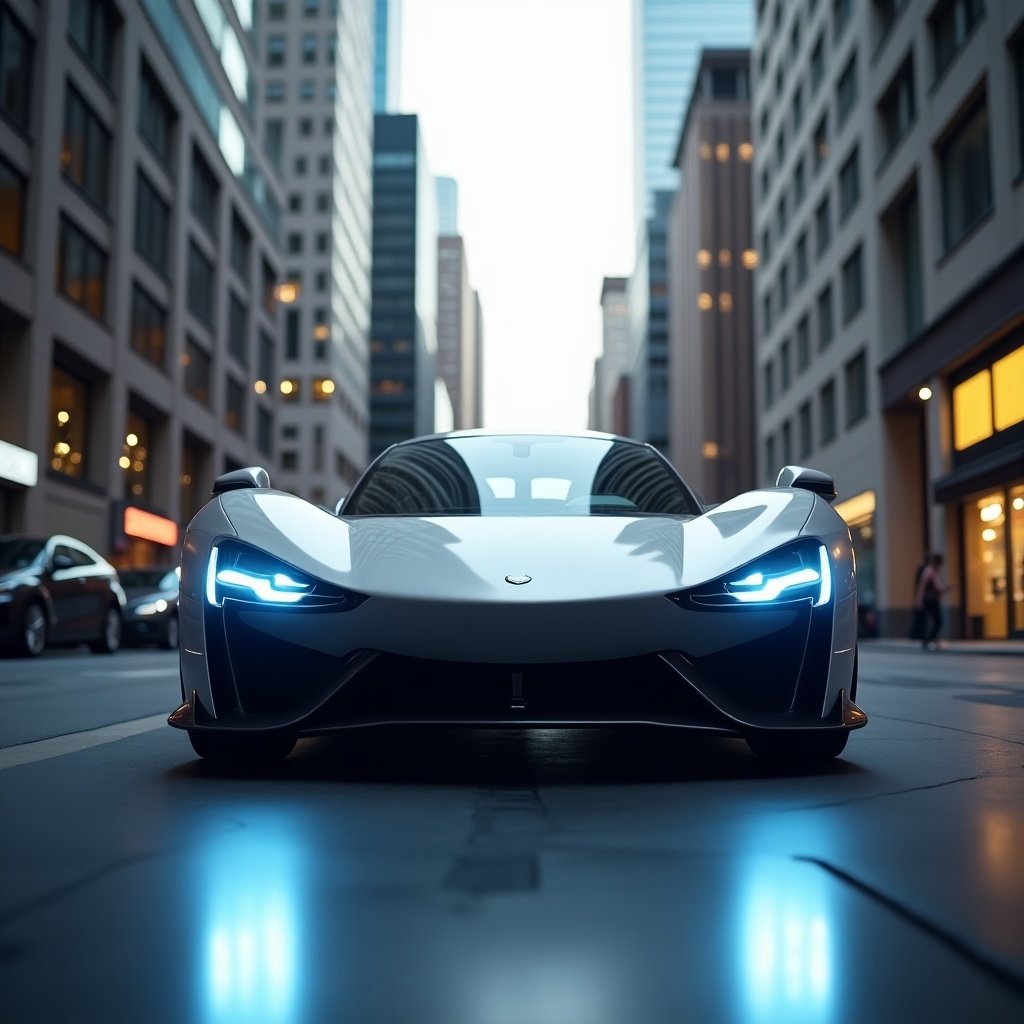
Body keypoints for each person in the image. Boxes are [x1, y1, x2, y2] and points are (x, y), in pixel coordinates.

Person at [914, 552, 948, 650]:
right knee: (937, 621)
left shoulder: (934, 571)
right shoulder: (929, 572)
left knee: (936, 621)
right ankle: (929, 639)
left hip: (931, 599)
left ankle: (930, 639)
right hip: (929, 600)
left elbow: (938, 587)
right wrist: (918, 599)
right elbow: (922, 586)